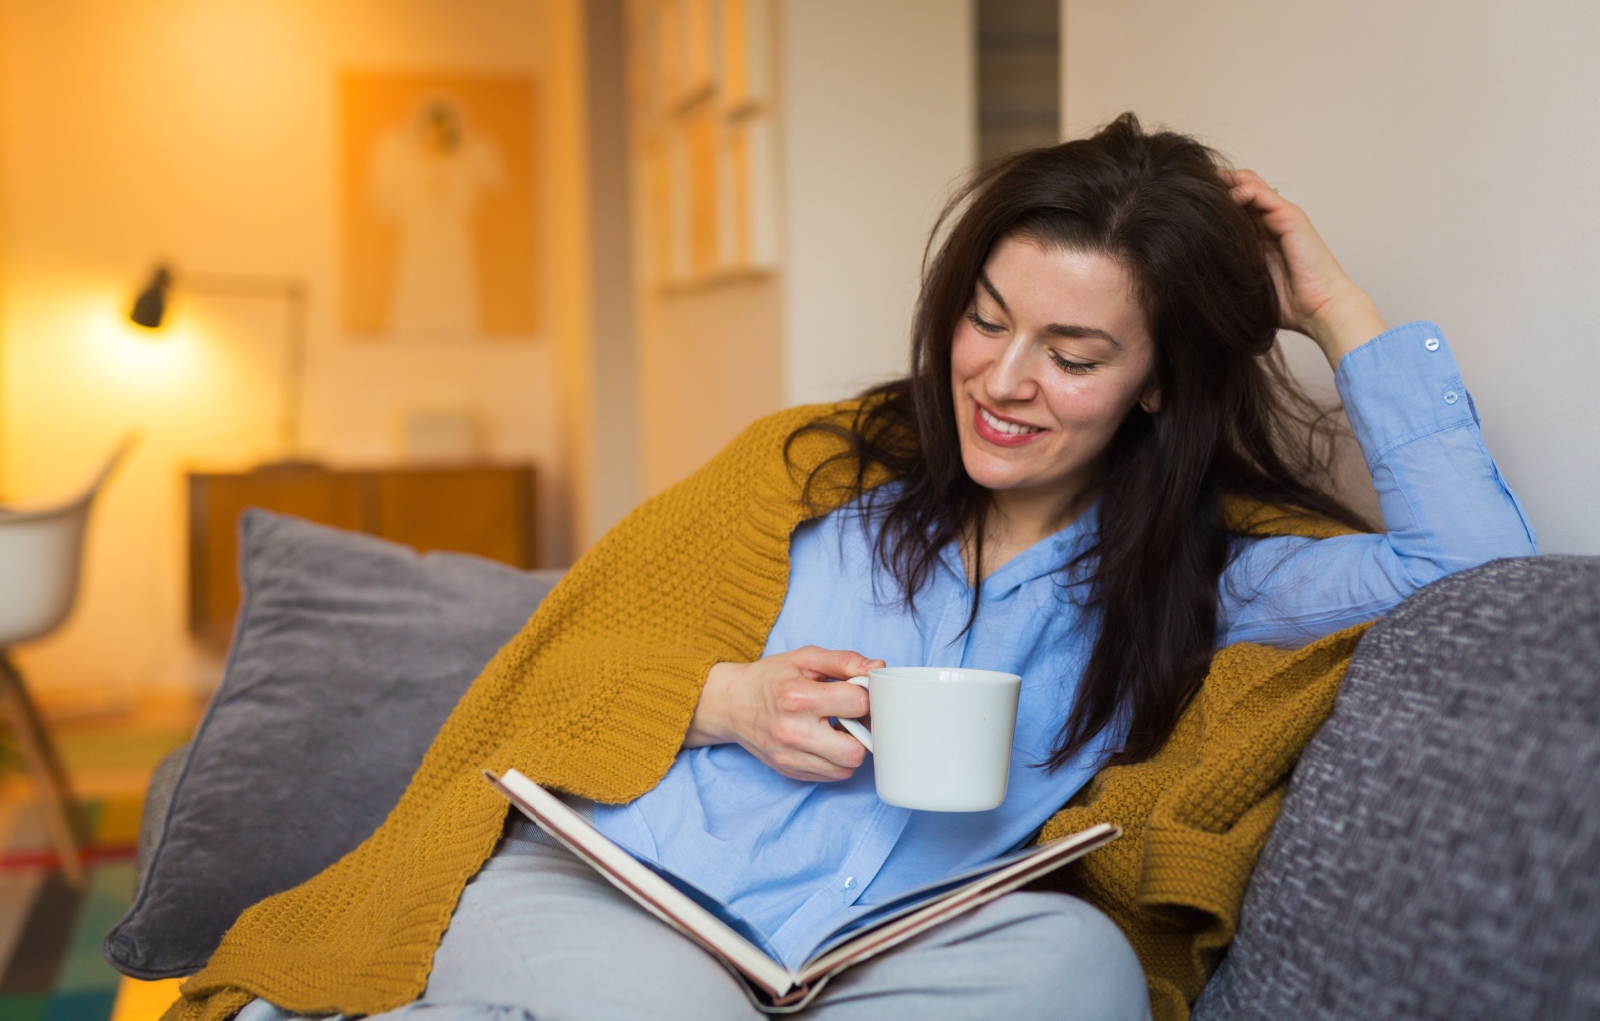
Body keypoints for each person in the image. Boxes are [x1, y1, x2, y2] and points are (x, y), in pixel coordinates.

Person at [221, 115, 1535, 1021]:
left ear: (1157, 386)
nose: (1004, 382)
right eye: (986, 318)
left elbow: (1476, 570)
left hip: (881, 956)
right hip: (623, 892)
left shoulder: (1214, 576)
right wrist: (729, 700)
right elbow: (567, 662)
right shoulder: (808, 474)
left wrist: (1333, 308)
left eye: (1074, 355)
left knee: (1079, 966)